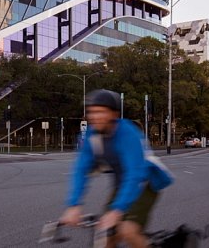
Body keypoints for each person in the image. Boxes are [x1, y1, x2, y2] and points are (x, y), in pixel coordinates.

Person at [60, 89, 173, 247]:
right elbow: (80, 170)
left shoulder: (128, 133)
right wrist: (73, 205)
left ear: (114, 114)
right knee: (106, 235)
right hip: (122, 183)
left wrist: (117, 210)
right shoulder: (91, 136)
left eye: (101, 112)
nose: (95, 117)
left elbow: (135, 174)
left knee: (127, 230)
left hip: (145, 182)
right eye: (91, 112)